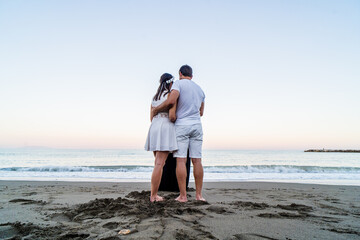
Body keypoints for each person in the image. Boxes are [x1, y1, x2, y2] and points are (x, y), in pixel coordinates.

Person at [152, 65, 205, 202]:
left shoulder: (178, 84)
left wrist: (157, 109)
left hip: (182, 125)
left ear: (180, 73)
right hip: (197, 126)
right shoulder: (200, 90)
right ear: (191, 76)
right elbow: (201, 112)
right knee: (197, 160)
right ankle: (199, 195)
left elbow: (171, 101)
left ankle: (183, 196)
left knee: (181, 160)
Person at [144, 73, 178, 202]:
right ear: (170, 83)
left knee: (157, 163)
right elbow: (172, 116)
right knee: (160, 163)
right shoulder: (170, 95)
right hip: (165, 127)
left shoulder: (154, 97)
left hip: (154, 127)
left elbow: (151, 117)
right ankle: (153, 196)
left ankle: (154, 193)